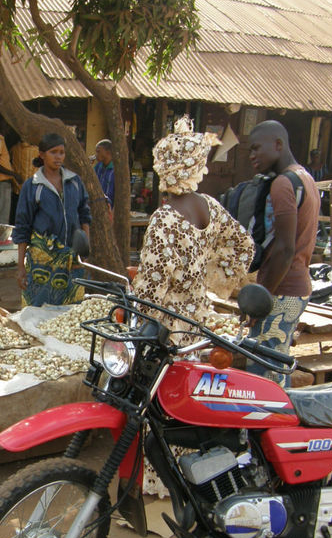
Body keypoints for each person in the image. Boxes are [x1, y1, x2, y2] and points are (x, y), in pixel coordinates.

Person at [132, 116, 254, 344]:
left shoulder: (164, 218)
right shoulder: (210, 205)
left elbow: (152, 286)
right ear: (197, 165)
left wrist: (139, 326)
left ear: (164, 168)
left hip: (165, 332)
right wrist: (208, 275)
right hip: (197, 320)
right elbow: (243, 243)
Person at [246, 120, 320, 385]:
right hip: (296, 288)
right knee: (276, 363)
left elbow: (285, 249)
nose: (252, 156)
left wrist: (261, 298)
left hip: (282, 288)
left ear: (278, 144)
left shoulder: (282, 184)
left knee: (263, 374)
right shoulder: (305, 178)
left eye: (256, 148)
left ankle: (271, 424)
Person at [12, 133, 91, 307]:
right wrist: (20, 267)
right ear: (42, 154)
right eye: (53, 152)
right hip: (42, 262)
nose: (58, 157)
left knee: (71, 314)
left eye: (61, 152)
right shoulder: (32, 186)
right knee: (37, 312)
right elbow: (22, 227)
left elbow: (84, 216)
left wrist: (85, 250)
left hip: (72, 258)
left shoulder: (74, 182)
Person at [0, 118, 22, 224]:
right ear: (5, 127)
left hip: (1, 183)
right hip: (1, 183)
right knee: (1, 218)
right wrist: (14, 174)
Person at [93, 139, 115, 213]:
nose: (96, 155)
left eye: (98, 152)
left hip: (110, 211)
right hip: (97, 209)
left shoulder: (116, 170)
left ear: (108, 153)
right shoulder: (98, 167)